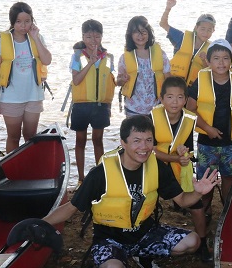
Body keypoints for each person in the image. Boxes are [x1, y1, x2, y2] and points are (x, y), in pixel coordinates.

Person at [42, 114, 221, 267]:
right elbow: (70, 208)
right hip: (110, 239)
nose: (144, 147)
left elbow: (182, 199)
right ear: (123, 143)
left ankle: (141, 255)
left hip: (145, 233)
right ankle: (121, 257)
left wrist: (198, 192)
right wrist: (40, 223)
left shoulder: (157, 167)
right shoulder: (101, 173)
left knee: (192, 242)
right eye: (137, 141)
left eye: (148, 140)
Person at [186, 39, 232, 215]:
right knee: (206, 179)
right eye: (216, 58)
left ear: (231, 60)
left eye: (225, 58)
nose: (221, 63)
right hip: (206, 142)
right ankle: (206, 209)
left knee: (229, 177)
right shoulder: (201, 80)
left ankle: (227, 210)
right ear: (208, 61)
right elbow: (190, 109)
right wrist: (207, 128)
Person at [150, 76, 212, 262]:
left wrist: (183, 154)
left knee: (196, 205)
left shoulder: (189, 119)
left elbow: (187, 148)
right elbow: (150, 150)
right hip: (154, 167)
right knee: (148, 202)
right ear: (161, 99)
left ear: (185, 99)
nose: (174, 102)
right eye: (169, 97)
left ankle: (202, 243)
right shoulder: (151, 118)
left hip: (179, 167)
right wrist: (175, 157)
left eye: (179, 97)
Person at [0, 2, 52, 152]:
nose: (23, 26)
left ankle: (30, 164)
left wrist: (36, 38)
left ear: (32, 21)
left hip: (33, 96)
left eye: (27, 21)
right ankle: (12, 166)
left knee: (30, 136)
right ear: (12, 22)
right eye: (18, 22)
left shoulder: (37, 38)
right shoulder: (3, 42)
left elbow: (47, 60)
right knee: (13, 136)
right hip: (10, 98)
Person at [69, 19, 116, 185]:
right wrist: (90, 62)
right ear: (83, 37)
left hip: (100, 106)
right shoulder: (77, 56)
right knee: (80, 140)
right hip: (81, 106)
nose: (93, 40)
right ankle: (81, 178)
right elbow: (76, 80)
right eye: (88, 37)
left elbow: (110, 82)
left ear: (102, 37)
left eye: (96, 36)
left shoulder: (108, 57)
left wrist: (122, 80)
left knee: (98, 140)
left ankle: (100, 177)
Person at [116, 16, 171, 117]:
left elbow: (168, 78)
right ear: (130, 35)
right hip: (133, 108)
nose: (140, 35)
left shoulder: (160, 54)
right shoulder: (124, 58)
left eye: (143, 31)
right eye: (136, 32)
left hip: (157, 106)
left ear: (149, 33)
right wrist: (122, 79)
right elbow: (118, 82)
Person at [160, 0, 216, 86]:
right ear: (196, 27)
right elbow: (163, 24)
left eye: (209, 30)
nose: (205, 33)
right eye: (203, 29)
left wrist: (204, 60)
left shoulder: (211, 49)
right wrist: (168, 8)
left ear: (213, 31)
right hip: (173, 83)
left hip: (193, 88)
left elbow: (211, 72)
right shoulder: (181, 38)